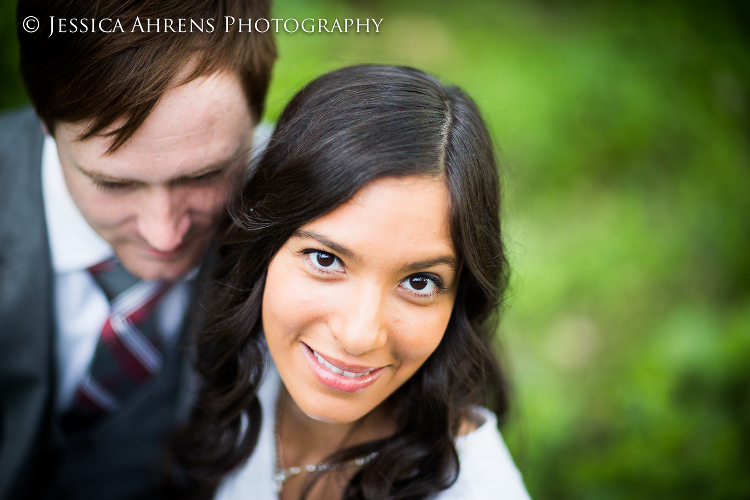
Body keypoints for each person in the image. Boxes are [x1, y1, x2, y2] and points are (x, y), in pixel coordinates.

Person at [172, 65, 531, 500]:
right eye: (327, 259)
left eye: (419, 282)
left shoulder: (475, 489)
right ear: (262, 245)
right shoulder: (221, 354)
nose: (359, 335)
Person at [0, 1, 276, 498]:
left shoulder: (309, 214)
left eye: (205, 176)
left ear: (256, 114)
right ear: (46, 121)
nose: (164, 234)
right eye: (113, 184)